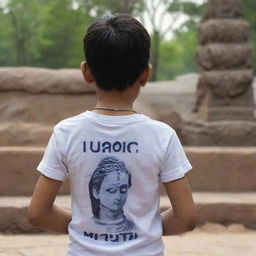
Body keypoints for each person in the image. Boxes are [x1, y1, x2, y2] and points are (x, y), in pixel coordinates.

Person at [28, 14, 196, 256]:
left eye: (121, 189)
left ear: (86, 72)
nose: (118, 196)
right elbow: (186, 218)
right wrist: (144, 231)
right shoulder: (162, 136)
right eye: (110, 189)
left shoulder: (66, 133)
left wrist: (82, 229)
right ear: (145, 74)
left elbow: (37, 214)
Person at [89, 156, 135, 233]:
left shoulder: (135, 227)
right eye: (111, 190)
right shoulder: (86, 225)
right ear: (96, 192)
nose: (118, 196)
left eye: (123, 190)